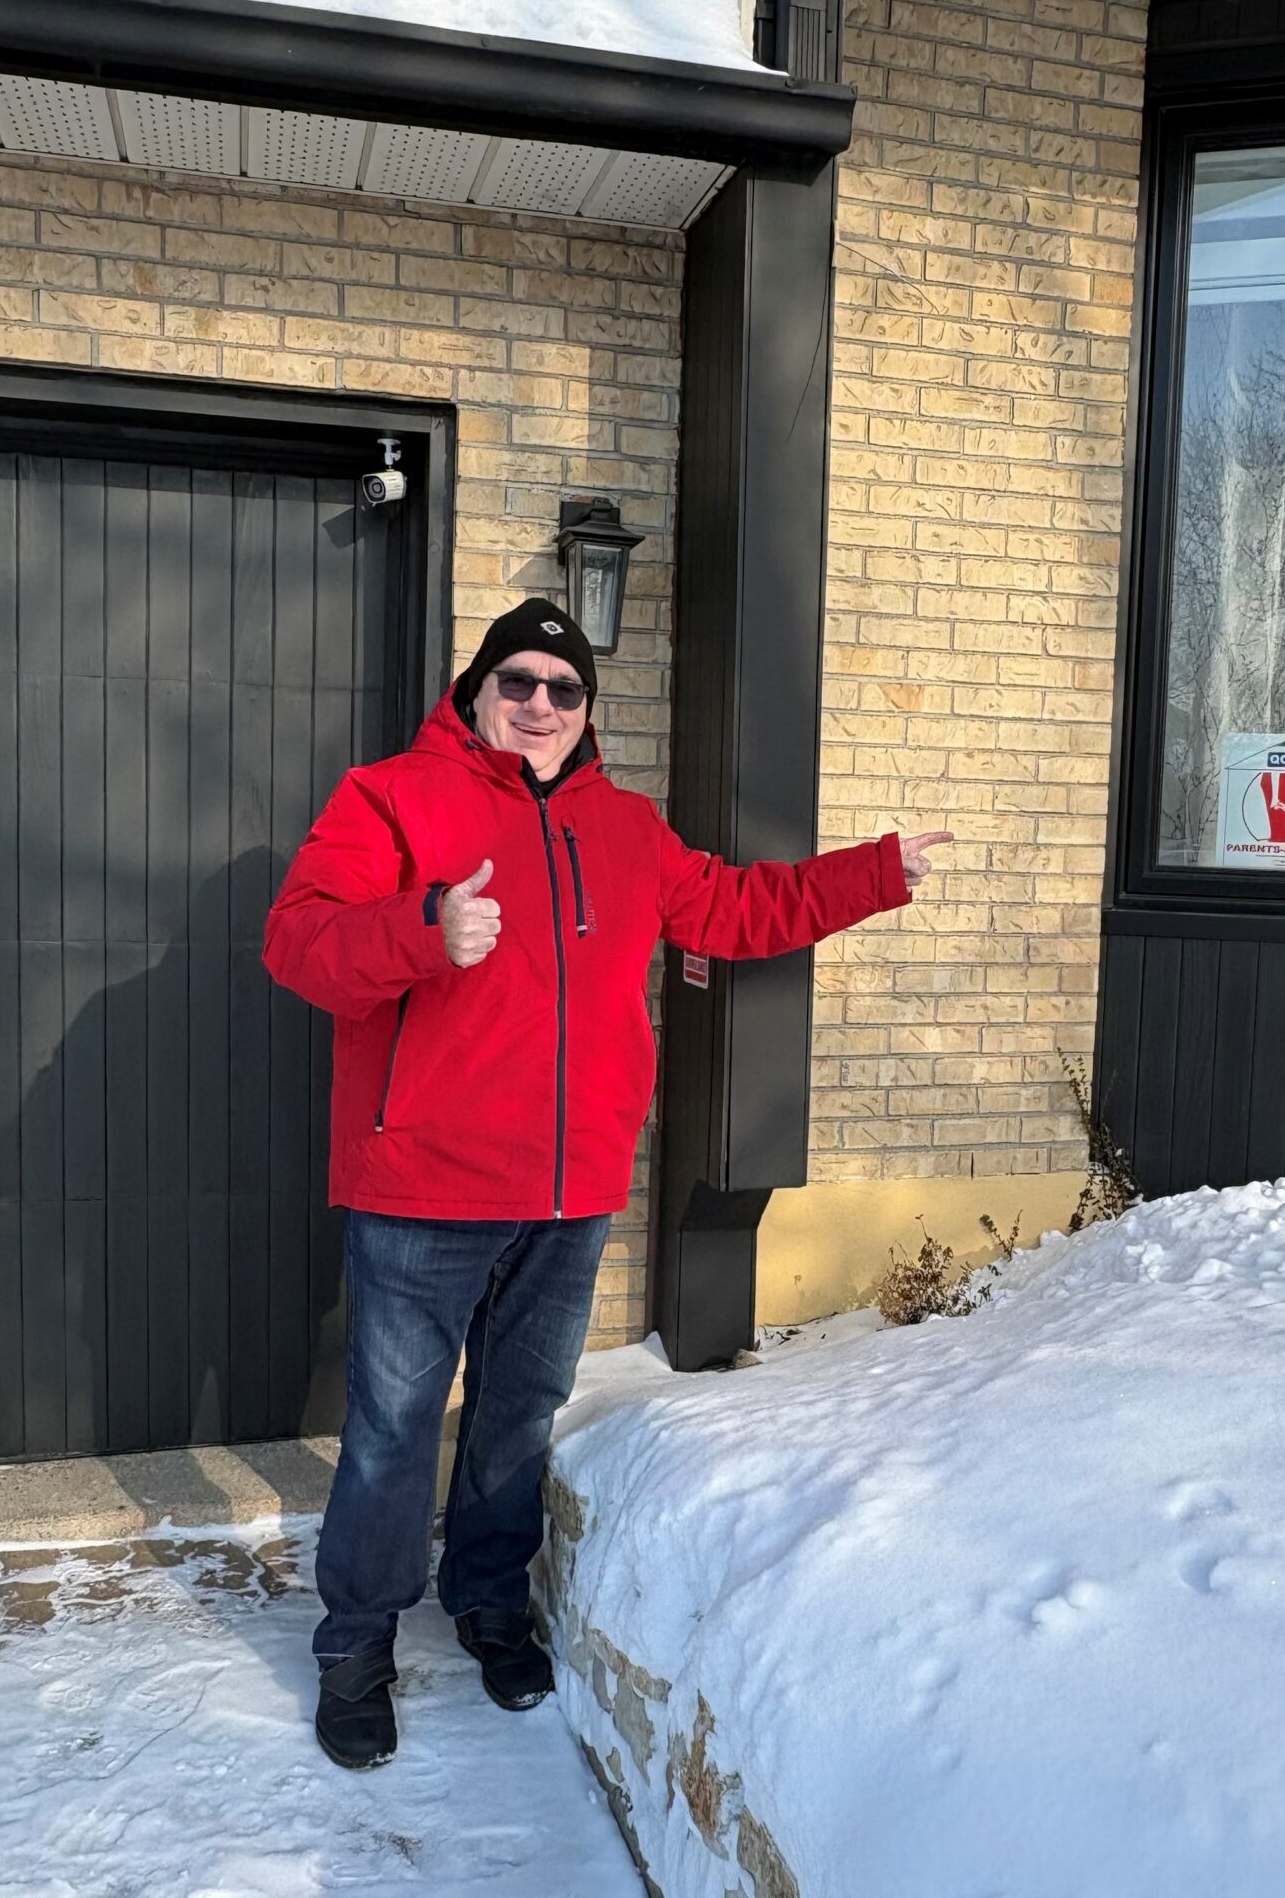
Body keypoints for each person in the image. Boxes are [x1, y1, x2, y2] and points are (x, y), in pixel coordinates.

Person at [262, 596, 952, 1770]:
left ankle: (487, 1603)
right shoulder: (390, 797)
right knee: (390, 1430)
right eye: (518, 682)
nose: (539, 704)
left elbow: (738, 908)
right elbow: (300, 942)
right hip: (423, 1189)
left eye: (564, 689)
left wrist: (875, 874)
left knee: (518, 1416)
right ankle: (358, 1644)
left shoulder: (626, 829)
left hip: (570, 1191)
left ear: (587, 714)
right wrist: (425, 927)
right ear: (476, 692)